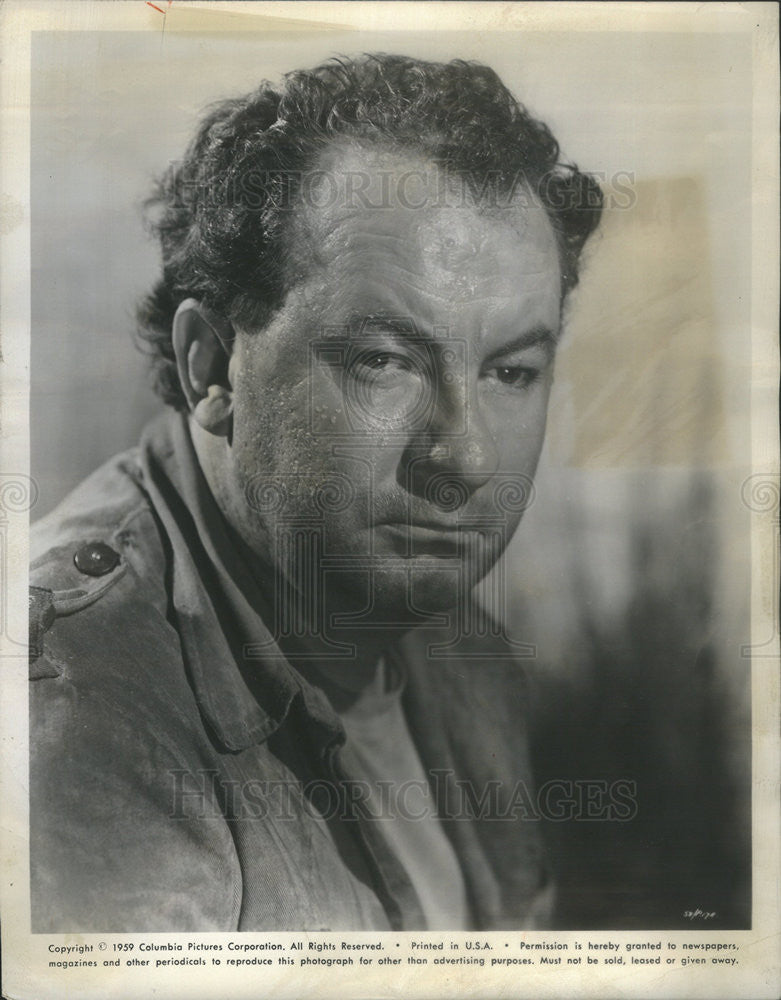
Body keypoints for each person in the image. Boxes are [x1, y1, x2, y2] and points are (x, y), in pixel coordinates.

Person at [28, 53, 602, 932]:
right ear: (212, 367)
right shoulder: (73, 709)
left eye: (511, 370)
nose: (467, 456)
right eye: (384, 360)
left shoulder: (465, 655)